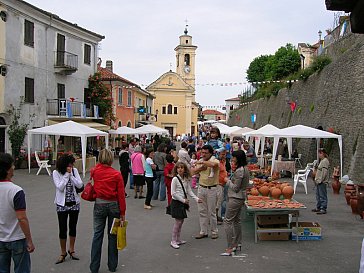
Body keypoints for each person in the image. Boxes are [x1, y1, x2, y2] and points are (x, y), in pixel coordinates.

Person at [90, 149, 126, 273]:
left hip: (99, 204)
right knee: (112, 236)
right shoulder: (116, 174)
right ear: (111, 159)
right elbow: (121, 195)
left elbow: (95, 169)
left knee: (97, 235)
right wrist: (123, 213)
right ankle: (112, 265)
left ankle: (94, 267)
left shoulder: (95, 171)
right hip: (114, 206)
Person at [0, 153, 35, 273]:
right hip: (17, 238)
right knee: (22, 269)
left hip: (1, 238)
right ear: (8, 170)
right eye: (12, 165)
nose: (14, 168)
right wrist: (29, 239)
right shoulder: (16, 191)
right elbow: (22, 218)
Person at [52, 154, 84, 264]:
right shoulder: (56, 173)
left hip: (74, 203)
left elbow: (80, 185)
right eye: (69, 164)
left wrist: (71, 175)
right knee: (62, 228)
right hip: (62, 205)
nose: (71, 166)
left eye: (72, 164)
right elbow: (60, 187)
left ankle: (72, 249)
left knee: (73, 227)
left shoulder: (74, 171)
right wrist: (66, 175)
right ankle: (63, 252)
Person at [221, 150, 249, 256]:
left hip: (235, 197)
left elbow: (236, 188)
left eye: (234, 158)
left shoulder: (240, 170)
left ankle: (231, 246)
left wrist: (227, 181)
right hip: (240, 198)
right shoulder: (245, 168)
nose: (232, 159)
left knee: (227, 221)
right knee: (236, 221)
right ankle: (237, 243)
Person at [170, 162, 200, 249]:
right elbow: (173, 193)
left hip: (182, 202)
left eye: (182, 167)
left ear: (184, 169)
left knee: (181, 221)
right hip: (177, 202)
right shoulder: (175, 179)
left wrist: (196, 199)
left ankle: (178, 239)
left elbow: (189, 190)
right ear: (176, 169)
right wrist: (183, 200)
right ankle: (173, 240)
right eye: (178, 168)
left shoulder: (185, 179)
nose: (180, 169)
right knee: (178, 222)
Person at [192, 145, 220, 239]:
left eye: (205, 153)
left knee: (212, 211)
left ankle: (214, 231)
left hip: (212, 188)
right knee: (201, 211)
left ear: (211, 153)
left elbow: (213, 165)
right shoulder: (200, 161)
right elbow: (192, 172)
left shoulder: (215, 160)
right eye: (202, 152)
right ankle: (203, 231)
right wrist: (201, 168)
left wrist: (202, 162)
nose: (203, 154)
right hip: (201, 187)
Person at [312, 148, 330, 215]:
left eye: (319, 153)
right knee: (318, 195)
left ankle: (323, 208)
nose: (318, 155)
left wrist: (320, 180)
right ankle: (318, 207)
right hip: (318, 181)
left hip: (321, 182)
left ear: (322, 153)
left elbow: (324, 172)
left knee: (322, 195)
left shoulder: (325, 161)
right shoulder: (322, 161)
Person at [216, 149, 228, 225]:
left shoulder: (223, 162)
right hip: (218, 185)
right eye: (222, 154)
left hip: (222, 184)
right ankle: (215, 218)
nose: (223, 156)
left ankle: (216, 217)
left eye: (224, 154)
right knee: (217, 202)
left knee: (219, 201)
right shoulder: (217, 163)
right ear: (218, 154)